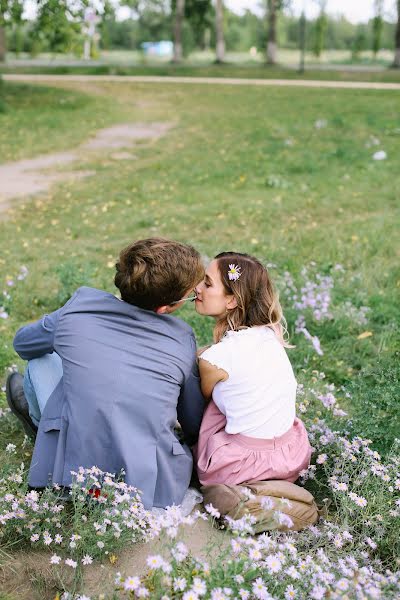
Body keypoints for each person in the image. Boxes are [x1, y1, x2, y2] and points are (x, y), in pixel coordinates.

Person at [7, 238, 205, 509]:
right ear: (166, 307)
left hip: (70, 472)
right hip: (147, 482)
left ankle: (46, 428)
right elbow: (193, 418)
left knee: (40, 362)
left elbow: (23, 344)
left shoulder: (79, 307)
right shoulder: (182, 338)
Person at [193, 252, 311, 486]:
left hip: (239, 466)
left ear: (231, 301)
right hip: (291, 457)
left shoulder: (215, 360)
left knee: (208, 406)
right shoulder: (269, 334)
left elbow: (198, 403)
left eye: (207, 283)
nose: (197, 288)